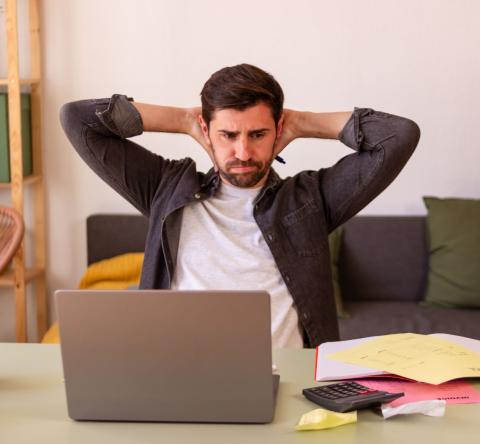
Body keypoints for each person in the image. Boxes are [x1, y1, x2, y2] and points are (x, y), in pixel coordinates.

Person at [60, 63, 420, 348]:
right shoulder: (164, 189)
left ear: (278, 130)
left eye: (258, 134)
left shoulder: (311, 199)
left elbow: (398, 136)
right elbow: (77, 120)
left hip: (288, 382)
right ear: (207, 130)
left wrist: (302, 123)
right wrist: (183, 120)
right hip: (180, 376)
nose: (243, 152)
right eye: (228, 135)